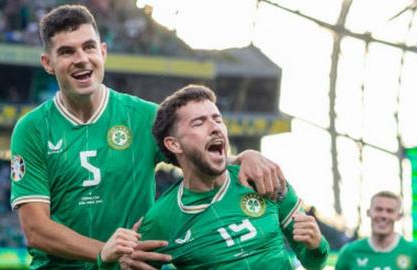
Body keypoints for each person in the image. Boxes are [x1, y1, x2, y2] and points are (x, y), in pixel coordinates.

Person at [10, 4, 287, 269]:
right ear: (48, 62)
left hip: (135, 267)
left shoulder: (144, 117)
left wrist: (244, 157)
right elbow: (36, 229)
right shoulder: (31, 129)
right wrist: (103, 251)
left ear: (103, 52)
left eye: (89, 47)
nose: (82, 59)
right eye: (67, 52)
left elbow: (202, 162)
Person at [130, 84, 329, 269]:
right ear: (174, 144)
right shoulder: (160, 220)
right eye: (199, 123)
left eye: (217, 119)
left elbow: (313, 261)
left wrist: (315, 245)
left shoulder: (262, 178)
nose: (215, 127)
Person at [335, 191, 417, 270]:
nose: (383, 215)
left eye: (389, 211)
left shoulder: (413, 251)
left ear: (398, 216)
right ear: (368, 212)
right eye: (379, 209)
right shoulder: (349, 252)